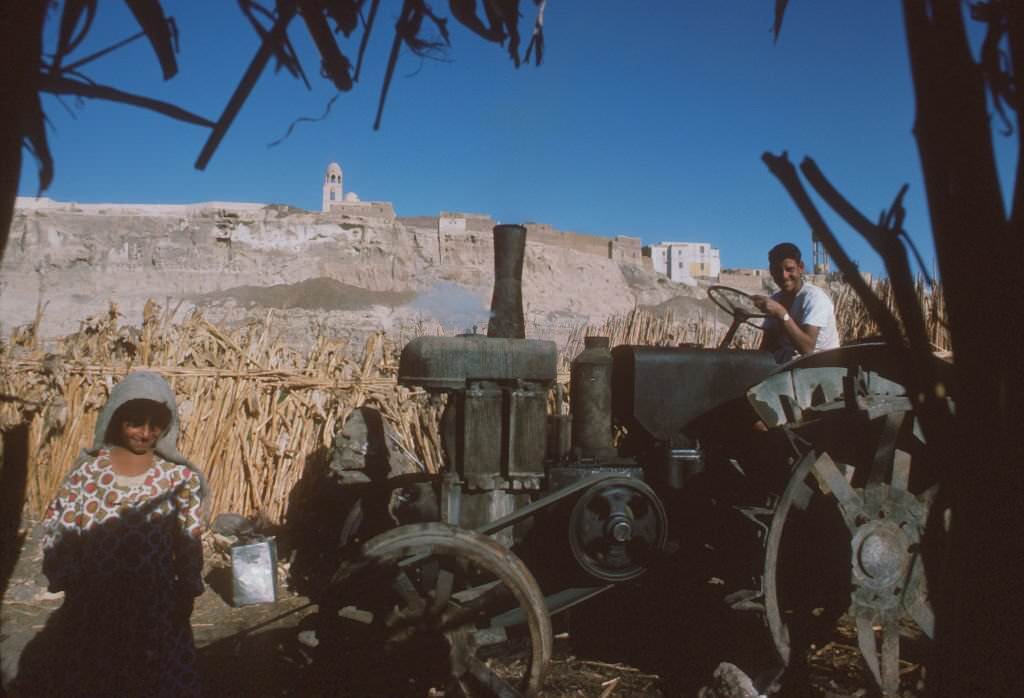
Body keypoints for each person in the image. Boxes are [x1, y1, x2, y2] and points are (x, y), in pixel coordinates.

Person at [36, 371, 207, 697]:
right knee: (100, 670)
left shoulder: (177, 479)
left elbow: (189, 538)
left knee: (151, 674)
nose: (145, 433)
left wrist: (187, 588)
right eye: (134, 422)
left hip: (155, 601)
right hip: (96, 599)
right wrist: (68, 577)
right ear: (116, 420)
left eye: (154, 424)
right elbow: (61, 525)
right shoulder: (89, 473)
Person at [753, 242, 840, 364]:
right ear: (772, 272)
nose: (784, 276)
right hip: (786, 364)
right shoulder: (776, 299)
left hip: (817, 366)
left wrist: (782, 314)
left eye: (789, 269)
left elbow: (807, 349)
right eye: (777, 270)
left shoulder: (814, 298)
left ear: (800, 268)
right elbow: (767, 347)